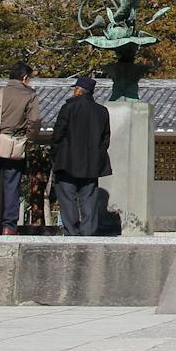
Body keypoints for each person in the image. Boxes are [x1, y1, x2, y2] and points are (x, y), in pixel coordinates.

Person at [0, 64, 38, 236]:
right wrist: (30, 139)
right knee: (12, 186)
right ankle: (9, 226)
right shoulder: (30, 96)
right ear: (25, 78)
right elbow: (34, 121)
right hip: (14, 145)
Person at [51, 76, 111, 236]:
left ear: (78, 90)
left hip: (67, 161)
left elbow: (58, 134)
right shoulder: (102, 111)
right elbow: (106, 139)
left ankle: (71, 229)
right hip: (92, 162)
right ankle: (88, 230)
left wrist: (56, 153)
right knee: (89, 197)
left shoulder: (69, 108)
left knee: (67, 196)